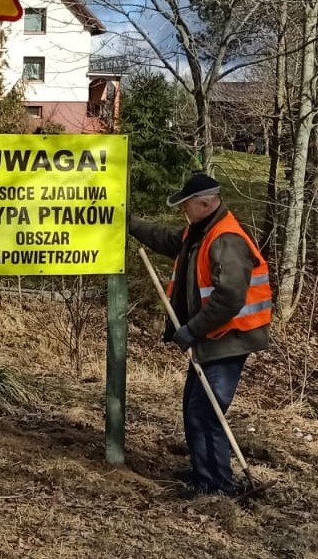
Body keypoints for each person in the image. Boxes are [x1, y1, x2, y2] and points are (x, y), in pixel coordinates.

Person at [129, 172, 272, 496]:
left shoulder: (226, 240)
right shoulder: (200, 233)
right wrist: (130, 223)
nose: (183, 212)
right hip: (212, 336)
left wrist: (191, 330)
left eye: (186, 206)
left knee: (205, 412)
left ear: (205, 203)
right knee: (195, 406)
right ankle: (204, 471)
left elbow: (230, 299)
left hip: (229, 337)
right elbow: (168, 240)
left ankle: (215, 485)